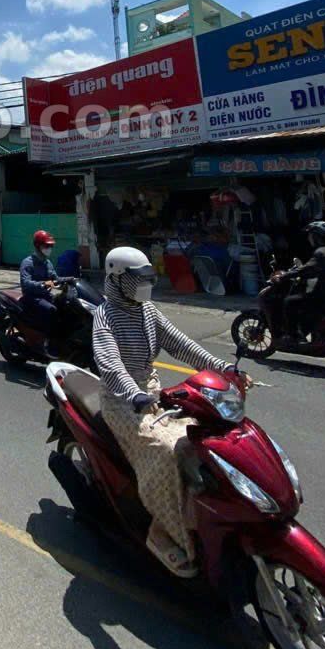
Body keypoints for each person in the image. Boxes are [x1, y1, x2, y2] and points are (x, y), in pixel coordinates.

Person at [93, 246, 250, 577]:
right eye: (138, 279)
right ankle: (163, 532)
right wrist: (134, 393)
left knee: (199, 438)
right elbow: (110, 363)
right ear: (117, 279)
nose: (146, 284)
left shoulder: (148, 311)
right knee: (164, 452)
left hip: (150, 392)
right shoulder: (105, 316)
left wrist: (223, 368)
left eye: (148, 278)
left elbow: (181, 345)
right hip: (122, 400)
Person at [278, 220, 325, 342]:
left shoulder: (322, 252)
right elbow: (316, 270)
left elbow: (306, 269)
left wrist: (283, 276)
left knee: (290, 302)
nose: (309, 238)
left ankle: (293, 337)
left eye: (310, 235)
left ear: (316, 237)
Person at [19, 229, 61, 335]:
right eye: (47, 246)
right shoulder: (27, 263)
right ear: (38, 246)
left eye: (51, 246)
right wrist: (43, 283)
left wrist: (71, 279)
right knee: (51, 309)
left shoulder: (48, 262)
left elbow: (56, 278)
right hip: (32, 297)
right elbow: (25, 283)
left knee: (65, 305)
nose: (49, 248)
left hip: (45, 295)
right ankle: (45, 339)